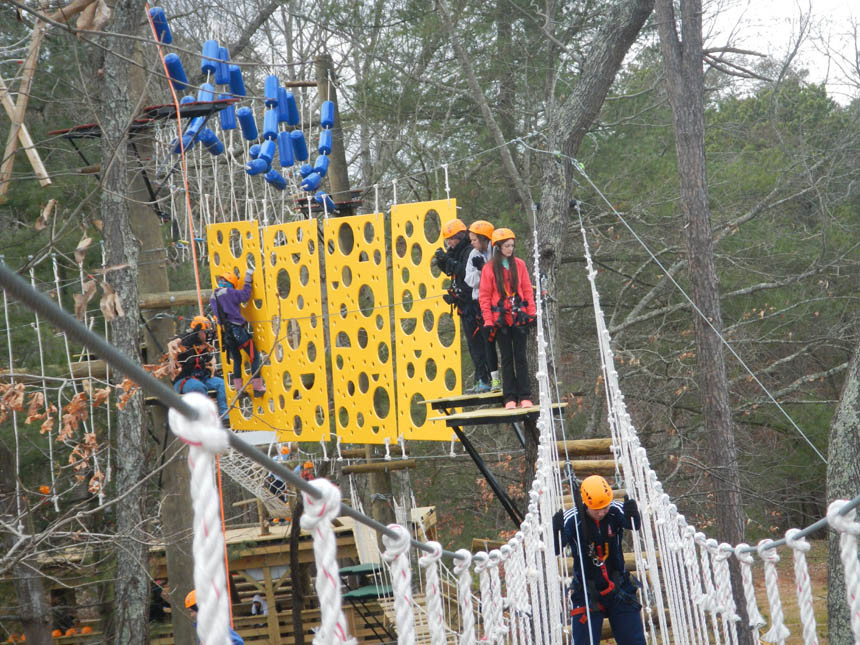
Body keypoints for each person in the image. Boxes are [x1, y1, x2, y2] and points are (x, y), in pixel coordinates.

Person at [553, 475, 645, 645]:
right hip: (586, 591)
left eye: (604, 507)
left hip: (619, 587)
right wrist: (555, 532)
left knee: (634, 641)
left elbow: (632, 524)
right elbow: (556, 548)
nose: (601, 513)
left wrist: (634, 516)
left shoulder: (615, 510)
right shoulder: (572, 518)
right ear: (586, 504)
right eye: (596, 510)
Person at [478, 228, 536, 409]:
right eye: (507, 246)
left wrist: (532, 313)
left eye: (512, 246)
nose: (510, 249)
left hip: (519, 316)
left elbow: (527, 289)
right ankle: (509, 396)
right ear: (498, 247)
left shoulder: (519, 265)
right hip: (500, 320)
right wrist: (488, 320)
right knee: (506, 357)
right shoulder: (489, 269)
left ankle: (524, 395)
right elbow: (484, 296)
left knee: (521, 356)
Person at [434, 218, 486, 393]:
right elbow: (452, 271)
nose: (449, 243)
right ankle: (480, 379)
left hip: (473, 305)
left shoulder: (469, 251)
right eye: (447, 240)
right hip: (464, 303)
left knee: (478, 343)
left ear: (459, 236)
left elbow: (465, 273)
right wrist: (442, 261)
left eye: (451, 239)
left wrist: (449, 262)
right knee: (473, 345)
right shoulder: (455, 251)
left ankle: (484, 379)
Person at [210, 262, 265, 398]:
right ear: (231, 283)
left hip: (227, 334)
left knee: (237, 359)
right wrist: (248, 279)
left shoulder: (213, 297)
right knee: (254, 356)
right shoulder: (229, 292)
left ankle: (239, 390)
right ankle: (257, 387)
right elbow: (245, 295)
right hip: (237, 330)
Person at [463, 220, 500, 393]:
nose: (472, 243)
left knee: (503, 341)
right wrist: (481, 272)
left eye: (474, 240)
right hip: (481, 302)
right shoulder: (473, 254)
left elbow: (499, 277)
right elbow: (470, 280)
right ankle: (494, 380)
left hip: (497, 301)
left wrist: (484, 269)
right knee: (487, 342)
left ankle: (507, 378)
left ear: (484, 239)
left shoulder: (497, 250)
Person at [168, 315, 228, 417]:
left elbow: (207, 361)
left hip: (202, 377)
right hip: (184, 380)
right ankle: (205, 417)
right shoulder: (183, 343)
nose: (208, 335)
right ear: (198, 331)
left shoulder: (203, 346)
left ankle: (226, 416)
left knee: (222, 384)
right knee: (198, 387)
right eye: (205, 332)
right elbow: (176, 343)